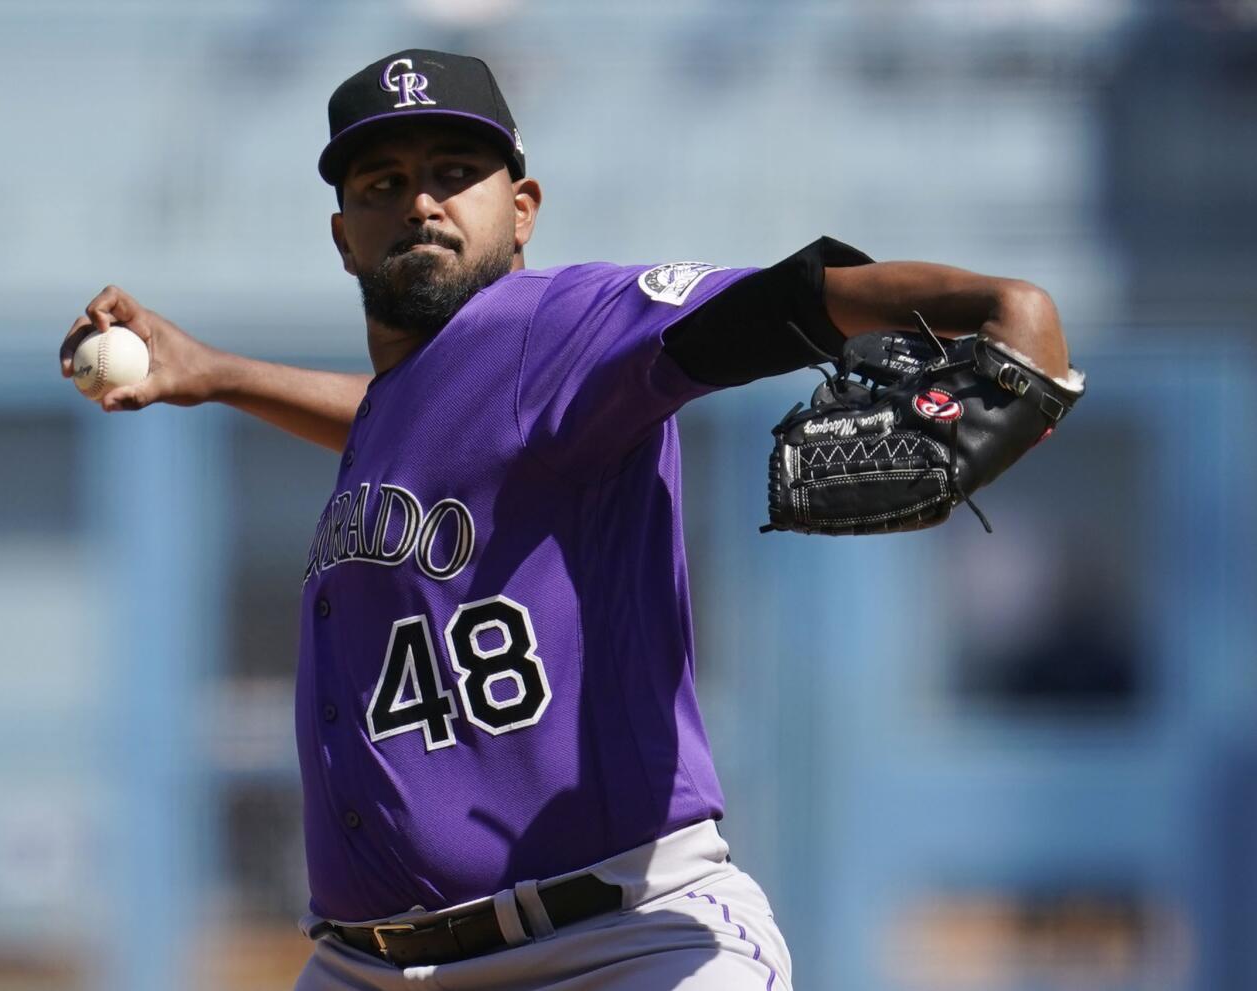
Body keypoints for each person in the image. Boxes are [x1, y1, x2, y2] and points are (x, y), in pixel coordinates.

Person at [60, 49, 1073, 990]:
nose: (418, 199)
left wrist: (1000, 304)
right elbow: (407, 428)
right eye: (380, 183)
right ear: (341, 236)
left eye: (454, 171)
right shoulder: (412, 408)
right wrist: (219, 373)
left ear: (523, 207)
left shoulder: (563, 328)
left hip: (621, 946)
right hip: (365, 967)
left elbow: (779, 304)